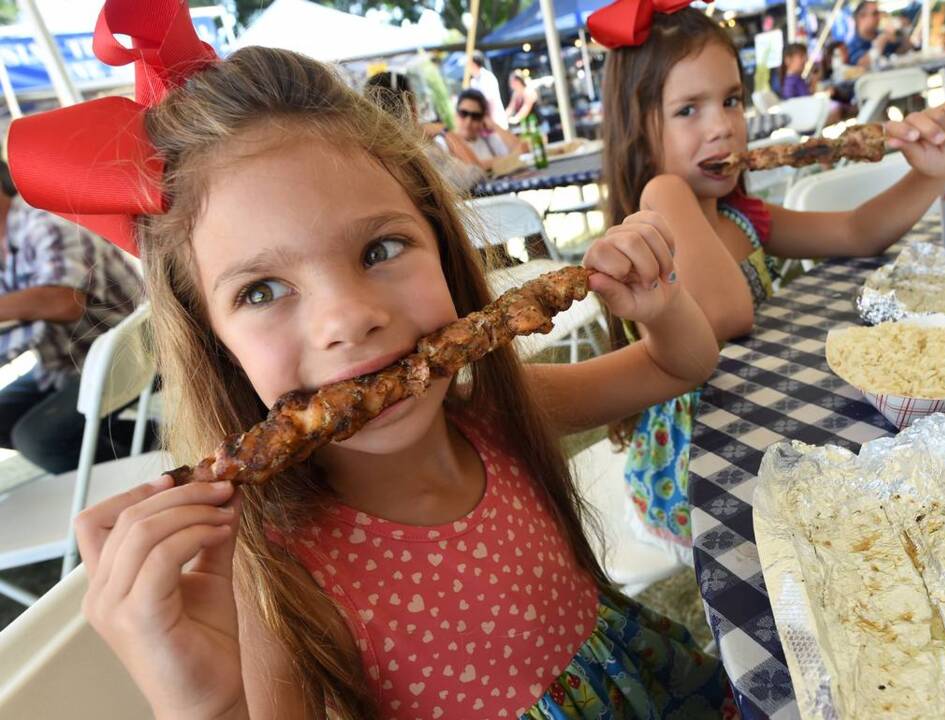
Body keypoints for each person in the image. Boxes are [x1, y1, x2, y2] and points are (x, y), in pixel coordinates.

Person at [12, 1, 733, 717]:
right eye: (262, 290)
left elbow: (677, 368)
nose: (348, 317)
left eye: (380, 249)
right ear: (214, 343)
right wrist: (206, 704)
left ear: (443, 249)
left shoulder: (499, 412)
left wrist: (659, 305)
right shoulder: (271, 573)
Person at [591, 2, 945, 560]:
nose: (721, 126)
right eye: (688, 110)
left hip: (762, 420)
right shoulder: (661, 197)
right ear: (638, 129)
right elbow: (727, 313)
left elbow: (856, 232)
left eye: (732, 100)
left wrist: (930, 173)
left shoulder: (743, 217)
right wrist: (671, 189)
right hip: (694, 470)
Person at [0, 160, 145, 474]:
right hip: (67, 361)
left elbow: (63, 302)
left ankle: (137, 488)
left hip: (128, 353)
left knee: (37, 439)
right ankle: (148, 443)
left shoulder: (43, 222)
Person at [364, 71, 484, 192]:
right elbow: (476, 178)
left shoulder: (367, 155)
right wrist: (445, 131)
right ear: (410, 104)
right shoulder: (418, 150)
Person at [454, 88, 527, 172]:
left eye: (476, 116)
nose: (468, 121)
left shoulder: (489, 141)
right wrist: (502, 160)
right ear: (456, 113)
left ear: (483, 118)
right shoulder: (446, 144)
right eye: (464, 113)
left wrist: (494, 125)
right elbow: (469, 168)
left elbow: (522, 149)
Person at [847, 0, 906, 68]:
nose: (879, 17)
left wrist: (902, 32)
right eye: (875, 14)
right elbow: (862, 63)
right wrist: (881, 41)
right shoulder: (852, 44)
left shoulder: (881, 34)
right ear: (861, 17)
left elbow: (903, 50)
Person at [466, 50, 508, 127]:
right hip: (483, 124)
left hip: (495, 121)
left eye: (468, 64)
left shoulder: (488, 77)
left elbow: (488, 99)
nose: (467, 67)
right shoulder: (473, 81)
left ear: (474, 64)